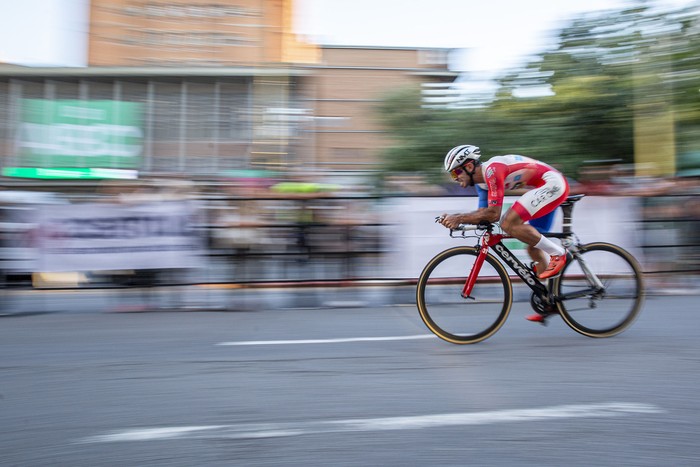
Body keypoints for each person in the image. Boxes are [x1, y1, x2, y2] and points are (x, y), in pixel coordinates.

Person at [439, 145, 570, 320]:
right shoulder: (481, 185)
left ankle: (559, 253)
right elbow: (482, 216)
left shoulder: (493, 171)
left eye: (455, 173)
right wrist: (457, 222)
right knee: (533, 246)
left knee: (508, 222)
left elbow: (493, 214)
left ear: (469, 167)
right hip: (543, 187)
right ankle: (549, 300)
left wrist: (459, 218)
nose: (454, 178)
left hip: (552, 184)